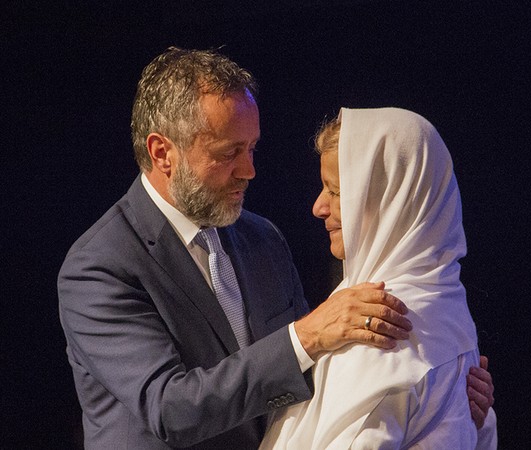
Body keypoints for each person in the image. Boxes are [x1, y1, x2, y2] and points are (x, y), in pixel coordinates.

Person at [57, 48, 493, 449]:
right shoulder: (100, 267)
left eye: (252, 148)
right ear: (162, 152)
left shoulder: (261, 238)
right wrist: (307, 335)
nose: (249, 170)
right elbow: (170, 408)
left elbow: (312, 378)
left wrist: (443, 403)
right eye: (230, 152)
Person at [260, 107, 498, 449]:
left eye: (336, 191)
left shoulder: (378, 328)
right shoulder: (445, 302)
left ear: (391, 197)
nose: (319, 207)